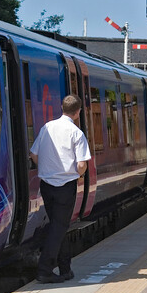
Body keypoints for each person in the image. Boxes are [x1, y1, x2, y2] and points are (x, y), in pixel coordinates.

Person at [29, 95, 91, 283]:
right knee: (59, 226)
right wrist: (79, 173)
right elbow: (81, 165)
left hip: (47, 186)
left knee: (59, 224)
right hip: (66, 186)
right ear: (78, 112)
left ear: (61, 108)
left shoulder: (47, 127)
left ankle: (65, 268)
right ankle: (44, 270)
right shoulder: (76, 133)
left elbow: (33, 154)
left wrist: (47, 169)